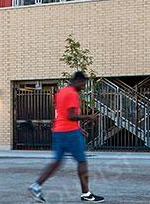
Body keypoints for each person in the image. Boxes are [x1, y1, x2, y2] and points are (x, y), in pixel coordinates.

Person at [29, 72, 104, 202]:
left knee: (56, 162)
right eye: (83, 83)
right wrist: (89, 117)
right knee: (82, 161)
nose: (83, 86)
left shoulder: (61, 92)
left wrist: (80, 128)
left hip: (58, 132)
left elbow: (62, 115)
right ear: (77, 81)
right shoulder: (73, 94)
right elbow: (70, 116)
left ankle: (36, 185)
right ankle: (86, 193)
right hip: (70, 133)